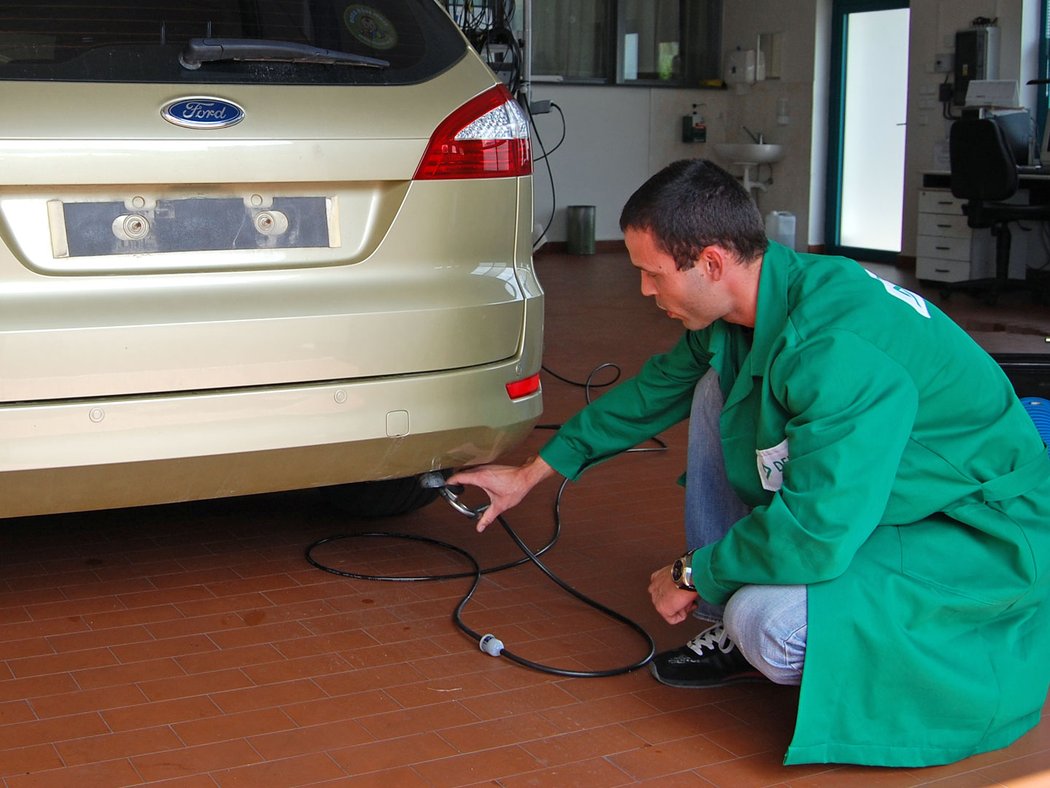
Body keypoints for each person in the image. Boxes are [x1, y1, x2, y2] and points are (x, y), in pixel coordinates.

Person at [449, 158, 1050, 767]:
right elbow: (654, 390)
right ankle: (726, 610)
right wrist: (531, 472)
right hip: (889, 497)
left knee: (767, 622)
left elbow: (817, 534)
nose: (644, 292)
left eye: (653, 275)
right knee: (719, 384)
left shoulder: (834, 347)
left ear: (711, 263)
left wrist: (694, 571)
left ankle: (745, 614)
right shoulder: (764, 300)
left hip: (970, 529)